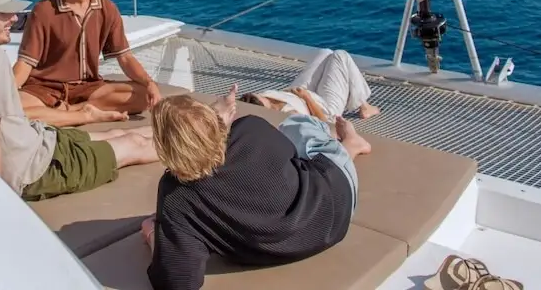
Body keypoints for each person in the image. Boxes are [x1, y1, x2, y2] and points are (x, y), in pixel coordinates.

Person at [0, 0, 159, 200]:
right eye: (4, 13)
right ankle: (193, 144)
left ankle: (188, 130)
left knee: (118, 134)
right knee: (133, 144)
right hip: (32, 168)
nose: (14, 18)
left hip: (34, 139)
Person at [140, 85, 372, 290]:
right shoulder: (250, 128)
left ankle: (351, 145)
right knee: (296, 124)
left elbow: (176, 281)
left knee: (294, 141)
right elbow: (292, 158)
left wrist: (154, 233)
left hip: (285, 249)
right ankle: (349, 145)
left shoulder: (176, 197)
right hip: (336, 207)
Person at [13, 0, 161, 127]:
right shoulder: (44, 10)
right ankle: (83, 114)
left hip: (88, 88)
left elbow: (125, 57)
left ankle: (67, 111)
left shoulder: (107, 8)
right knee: (14, 109)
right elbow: (25, 62)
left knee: (142, 96)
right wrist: (5, 93)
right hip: (45, 88)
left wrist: (149, 83)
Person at [240, 48, 380, 120]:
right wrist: (307, 98)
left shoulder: (254, 101)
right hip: (324, 107)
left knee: (325, 53)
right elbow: (324, 123)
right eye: (260, 97)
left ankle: (363, 103)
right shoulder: (289, 115)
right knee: (340, 56)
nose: (260, 95)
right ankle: (364, 105)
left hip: (298, 93)